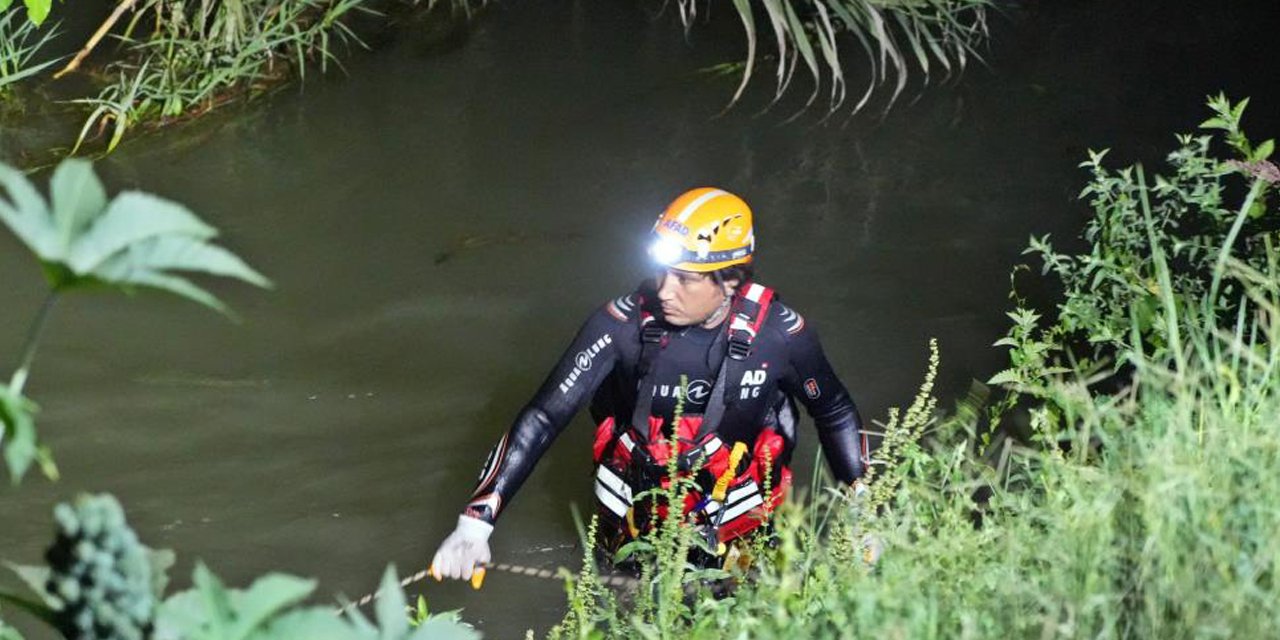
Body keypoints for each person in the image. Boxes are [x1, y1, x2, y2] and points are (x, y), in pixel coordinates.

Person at [429, 187, 869, 582]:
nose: (664, 290)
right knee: (626, 615)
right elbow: (544, 417)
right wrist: (475, 524)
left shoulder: (780, 335)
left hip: (741, 529)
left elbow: (833, 410)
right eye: (661, 272)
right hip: (634, 526)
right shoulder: (620, 327)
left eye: (685, 278)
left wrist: (864, 510)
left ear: (731, 279)